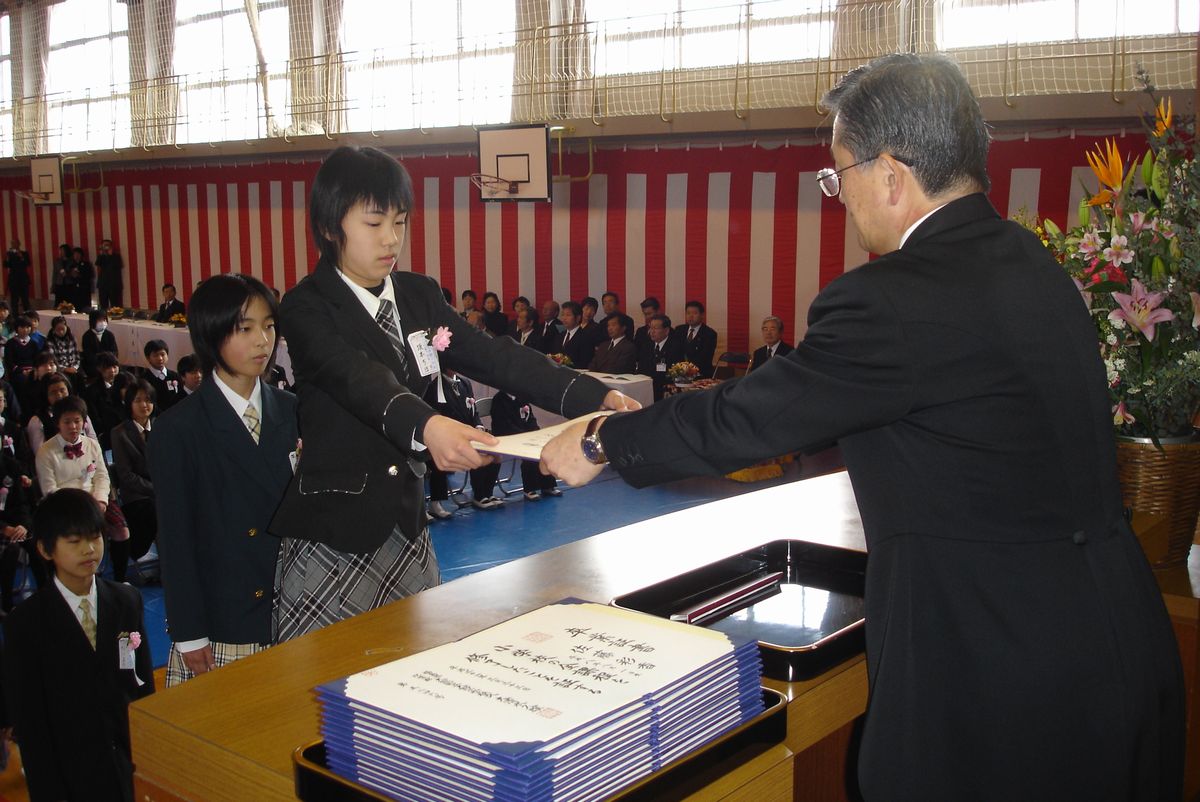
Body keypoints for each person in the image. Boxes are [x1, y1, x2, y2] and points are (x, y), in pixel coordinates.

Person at [541, 53, 1184, 800]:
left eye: (837, 174)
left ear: (889, 174)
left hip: (1000, 673)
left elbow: (752, 418)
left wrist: (600, 441)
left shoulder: (892, 299)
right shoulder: (1031, 261)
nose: (838, 198)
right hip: (1118, 638)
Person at [270, 145, 628, 642]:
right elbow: (357, 378)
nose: (391, 239)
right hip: (334, 529)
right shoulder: (307, 306)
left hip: (408, 524)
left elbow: (492, 355)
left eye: (400, 222)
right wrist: (428, 425)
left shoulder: (418, 293)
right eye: (374, 224)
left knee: (412, 673)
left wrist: (589, 393)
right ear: (332, 226)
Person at [147, 274, 297, 686]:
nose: (262, 341)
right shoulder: (179, 428)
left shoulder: (293, 410)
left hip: (295, 611)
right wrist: (188, 632)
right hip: (224, 621)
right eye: (244, 328)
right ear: (211, 335)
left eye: (268, 326)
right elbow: (176, 538)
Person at [2, 488, 154, 802]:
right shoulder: (27, 623)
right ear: (45, 549)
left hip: (127, 759)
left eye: (95, 537)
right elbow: (31, 721)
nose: (89, 550)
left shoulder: (126, 601)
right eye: (74, 542)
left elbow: (140, 682)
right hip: (69, 769)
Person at [110, 379, 158, 579]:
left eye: (148, 400)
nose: (144, 405)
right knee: (156, 511)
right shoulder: (119, 433)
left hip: (163, 490)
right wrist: (157, 489)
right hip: (137, 496)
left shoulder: (162, 426)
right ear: (129, 403)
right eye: (138, 400)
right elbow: (126, 475)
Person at [635, 313, 683, 401]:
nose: (652, 331)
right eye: (650, 328)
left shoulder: (675, 347)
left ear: (666, 330)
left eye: (656, 328)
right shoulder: (646, 345)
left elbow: (674, 374)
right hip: (647, 387)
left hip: (665, 390)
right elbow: (641, 368)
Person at [140, 339, 186, 412]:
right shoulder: (144, 379)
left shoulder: (175, 376)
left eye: (162, 354)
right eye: (155, 355)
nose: (160, 358)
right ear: (148, 358)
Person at [674, 300, 717, 378]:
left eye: (694, 313)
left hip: (700, 373)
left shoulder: (709, 334)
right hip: (679, 373)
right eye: (688, 313)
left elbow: (705, 357)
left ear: (702, 315)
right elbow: (675, 351)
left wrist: (688, 369)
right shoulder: (679, 330)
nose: (691, 316)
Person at [81, 309, 119, 378]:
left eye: (104, 320)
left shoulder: (109, 334)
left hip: (109, 363)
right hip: (94, 365)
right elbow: (88, 355)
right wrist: (102, 364)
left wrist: (108, 363)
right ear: (93, 321)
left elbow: (115, 352)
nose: (103, 322)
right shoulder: (87, 336)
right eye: (99, 320)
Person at [45, 314, 82, 380]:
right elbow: (53, 360)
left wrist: (75, 367)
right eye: (58, 330)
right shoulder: (50, 342)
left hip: (73, 367)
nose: (61, 332)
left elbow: (77, 356)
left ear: (66, 327)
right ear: (53, 329)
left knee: (79, 376)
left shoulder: (72, 338)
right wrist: (65, 369)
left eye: (62, 329)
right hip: (60, 369)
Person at [557, 301, 592, 368]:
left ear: (578, 318)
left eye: (568, 315)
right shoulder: (559, 336)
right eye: (563, 315)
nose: (564, 318)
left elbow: (585, 362)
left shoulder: (585, 337)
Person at [96, 238, 124, 310]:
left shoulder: (116, 256)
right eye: (104, 245)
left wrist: (110, 255)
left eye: (107, 245)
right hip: (103, 284)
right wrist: (102, 253)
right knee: (103, 305)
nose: (106, 247)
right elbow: (97, 263)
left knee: (115, 305)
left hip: (113, 284)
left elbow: (117, 265)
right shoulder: (101, 256)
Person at [3, 240, 30, 314]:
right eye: (12, 244)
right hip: (13, 280)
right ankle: (15, 316)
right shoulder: (9, 254)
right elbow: (5, 265)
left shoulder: (24, 253)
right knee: (14, 300)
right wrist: (6, 257)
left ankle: (27, 314)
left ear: (19, 244)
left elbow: (28, 263)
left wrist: (21, 256)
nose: (13, 245)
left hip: (23, 280)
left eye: (14, 243)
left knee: (25, 299)